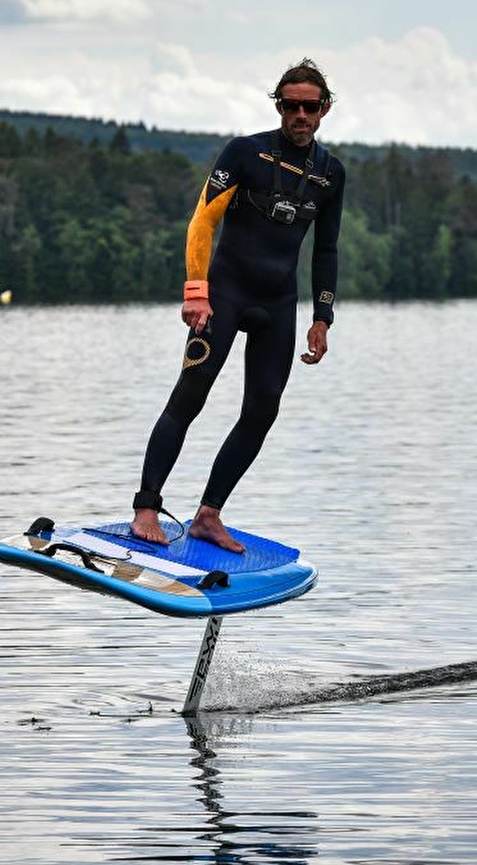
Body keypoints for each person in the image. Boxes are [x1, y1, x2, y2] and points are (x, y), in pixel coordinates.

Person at [130, 58, 345, 552]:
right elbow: (203, 221)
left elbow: (327, 248)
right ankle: (146, 507)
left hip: (278, 302)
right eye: (291, 106)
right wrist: (195, 289)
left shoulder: (331, 173)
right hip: (224, 293)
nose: (300, 115)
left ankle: (209, 514)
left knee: (263, 410)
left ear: (324, 110)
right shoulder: (245, 153)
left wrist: (322, 317)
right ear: (279, 106)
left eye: (309, 107)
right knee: (191, 396)